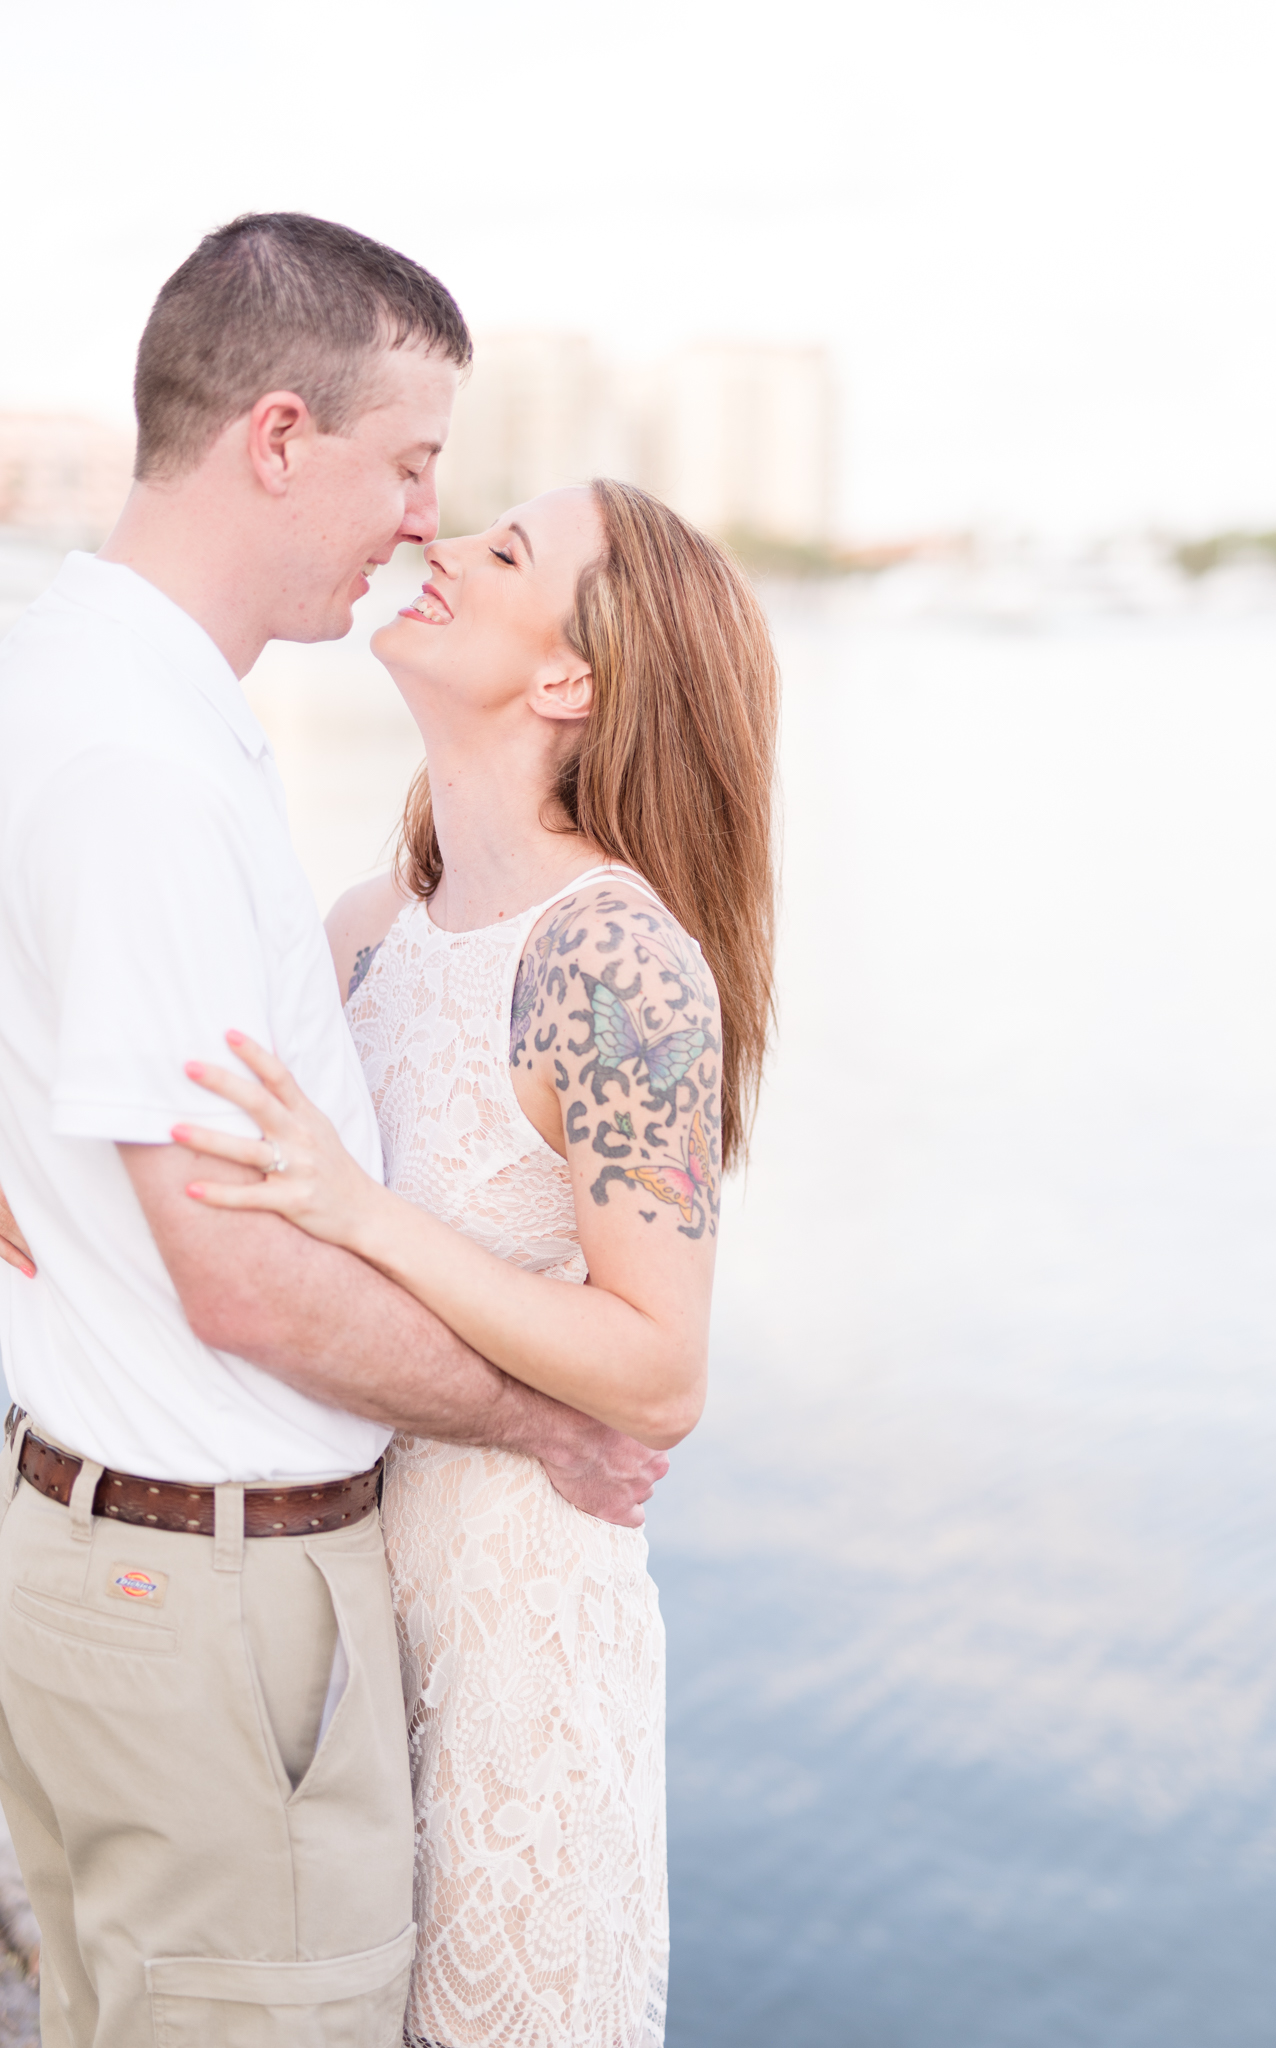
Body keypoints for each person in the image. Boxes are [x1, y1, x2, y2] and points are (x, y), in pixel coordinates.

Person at [0, 214, 665, 2048]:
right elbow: (244, 1281)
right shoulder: (141, 761)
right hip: (213, 1610)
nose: (419, 522)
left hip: (112, 1555)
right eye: (412, 464)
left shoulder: (83, 687)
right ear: (278, 440)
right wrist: (544, 1423)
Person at [166, 477, 780, 2047]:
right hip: (341, 1615)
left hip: (517, 1638)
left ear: (569, 679)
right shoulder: (371, 928)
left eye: (504, 551)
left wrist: (366, 1217)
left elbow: (661, 1369)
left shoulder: (617, 958)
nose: (438, 547)